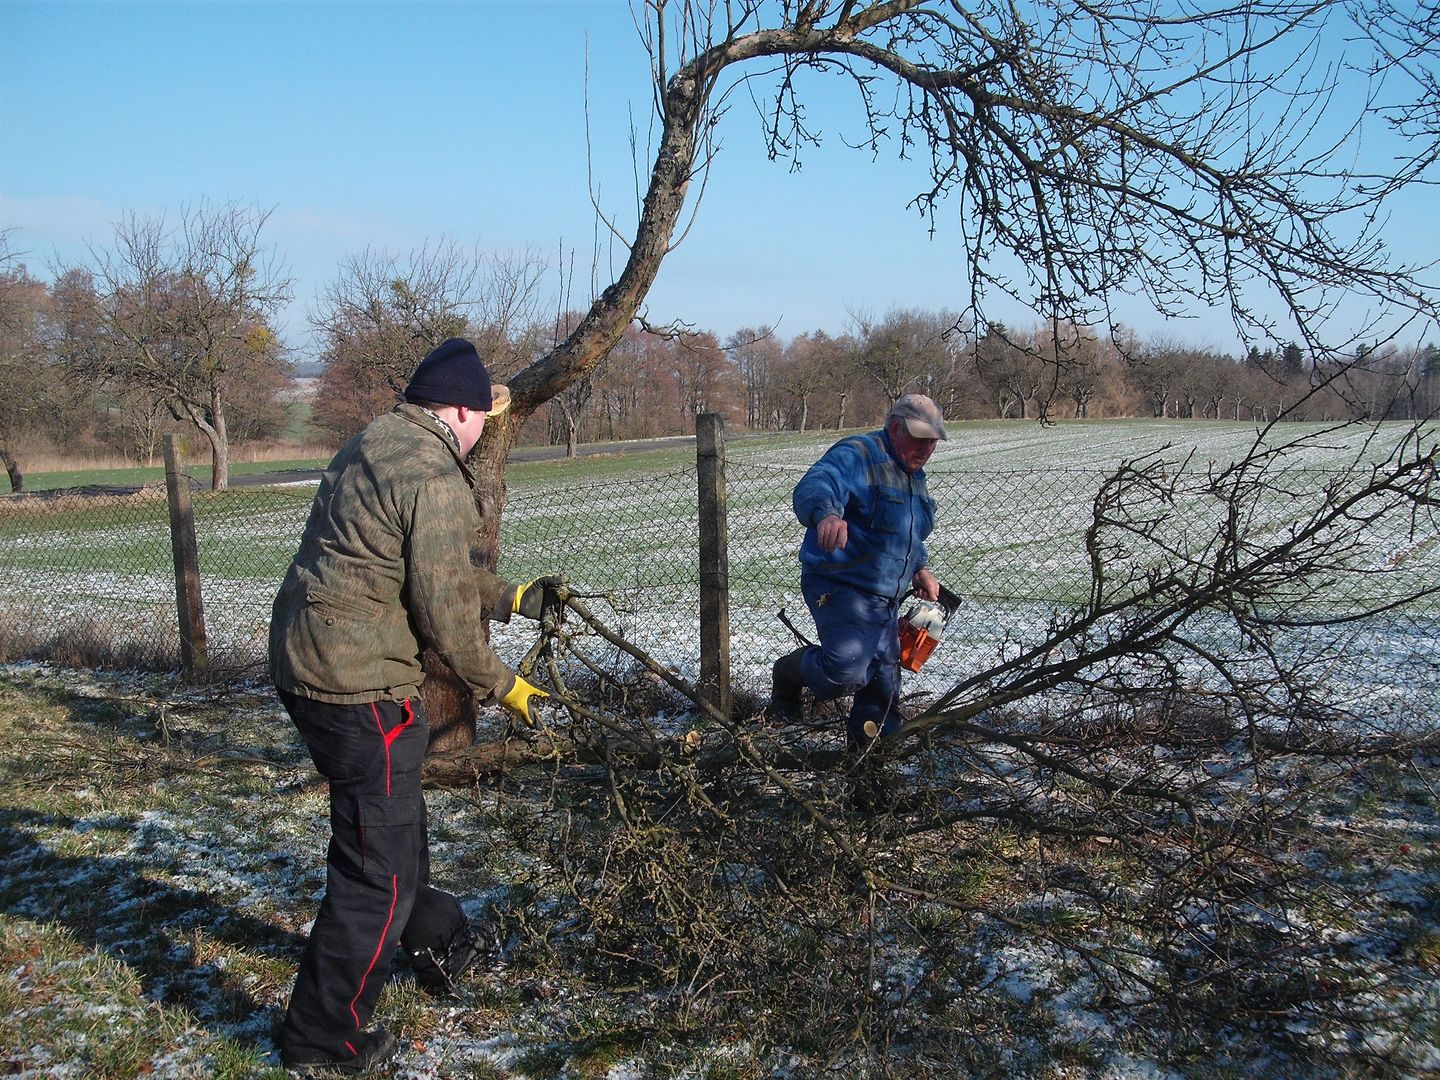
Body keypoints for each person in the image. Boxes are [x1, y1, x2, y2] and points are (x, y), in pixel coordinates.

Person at [268, 337, 564, 1075]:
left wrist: (511, 597)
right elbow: (442, 614)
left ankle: (434, 940)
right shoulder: (435, 475)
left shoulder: (377, 440)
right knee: (377, 873)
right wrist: (504, 684)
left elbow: (423, 561)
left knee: (391, 830)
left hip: (308, 659)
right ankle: (322, 1040)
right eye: (482, 418)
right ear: (459, 411)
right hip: (358, 683)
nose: (482, 432)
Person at [769, 393, 946, 763]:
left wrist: (920, 568)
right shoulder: (858, 454)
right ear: (895, 427)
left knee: (882, 684)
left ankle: (869, 761)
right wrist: (827, 515)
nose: (926, 448)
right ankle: (787, 674)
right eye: (919, 438)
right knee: (847, 669)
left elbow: (908, 534)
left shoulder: (914, 476)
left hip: (885, 597)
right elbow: (818, 483)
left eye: (932, 440)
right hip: (839, 583)